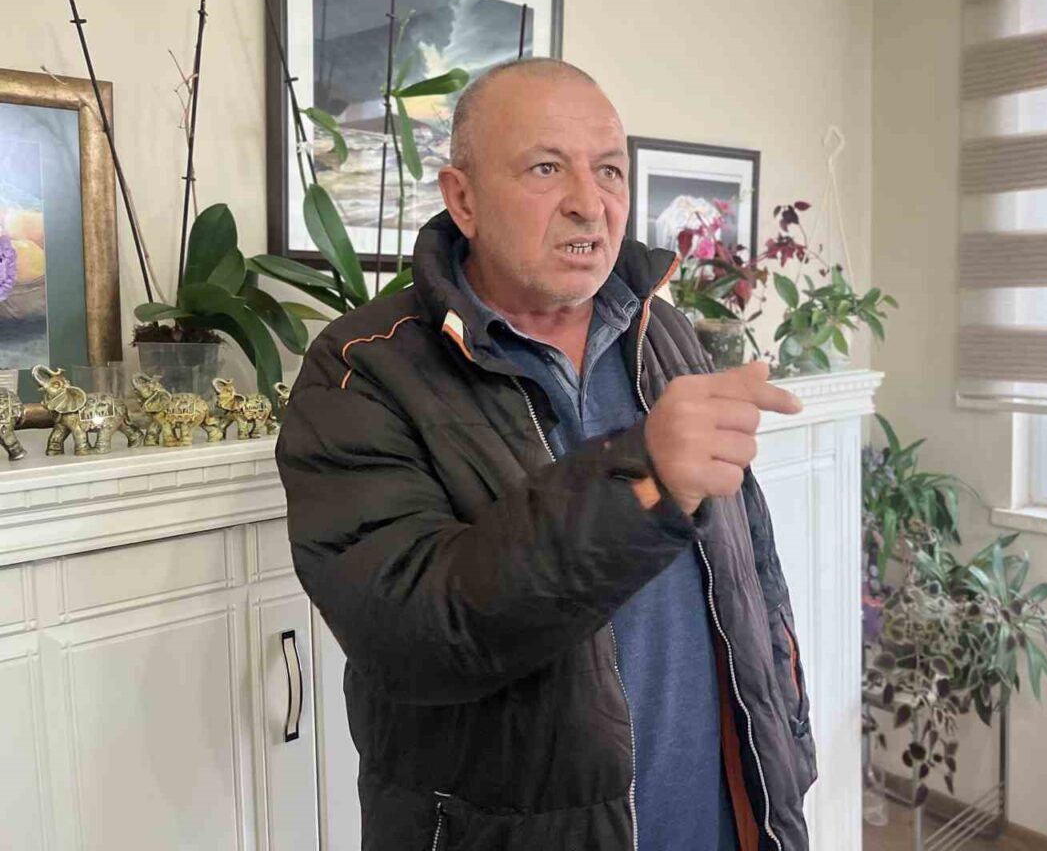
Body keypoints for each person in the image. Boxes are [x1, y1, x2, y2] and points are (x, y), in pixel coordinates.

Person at [276, 58, 818, 851]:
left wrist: (787, 745)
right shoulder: (364, 369)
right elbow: (411, 632)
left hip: (722, 818)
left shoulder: (661, 330)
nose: (588, 204)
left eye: (609, 171)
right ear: (462, 198)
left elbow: (751, 566)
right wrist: (641, 481)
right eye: (545, 168)